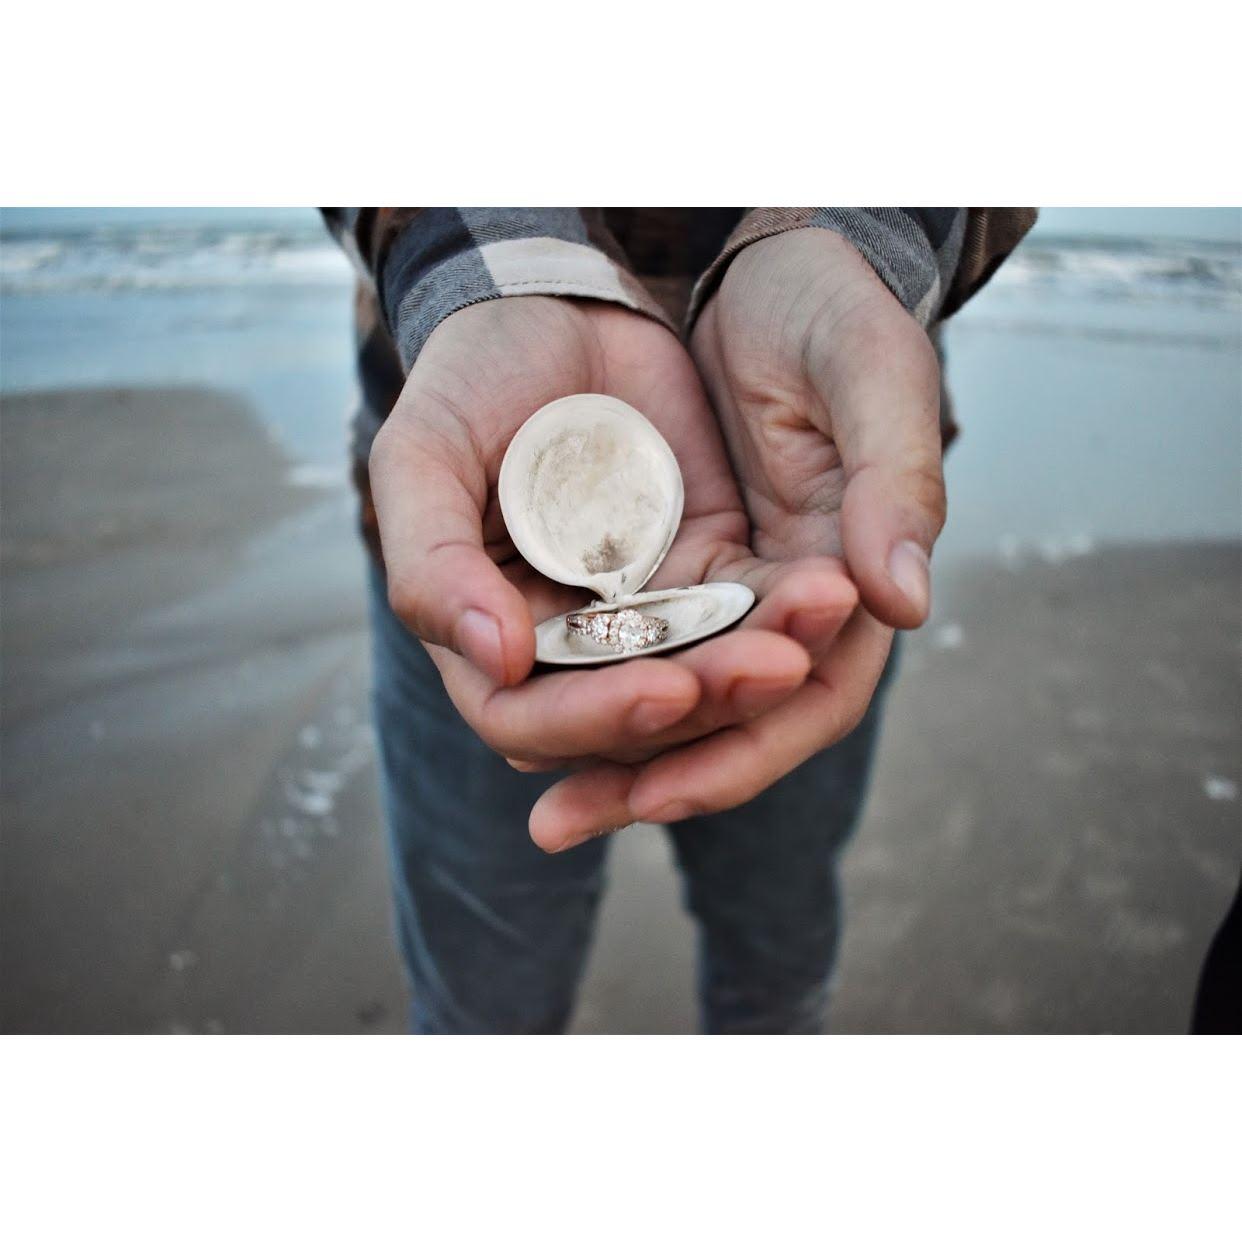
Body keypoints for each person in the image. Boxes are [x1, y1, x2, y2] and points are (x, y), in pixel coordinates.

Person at [322, 207, 1035, 1033]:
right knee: (485, 1007)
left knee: (776, 964)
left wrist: (856, 233)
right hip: (480, 530)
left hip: (808, 494)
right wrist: (491, 275)